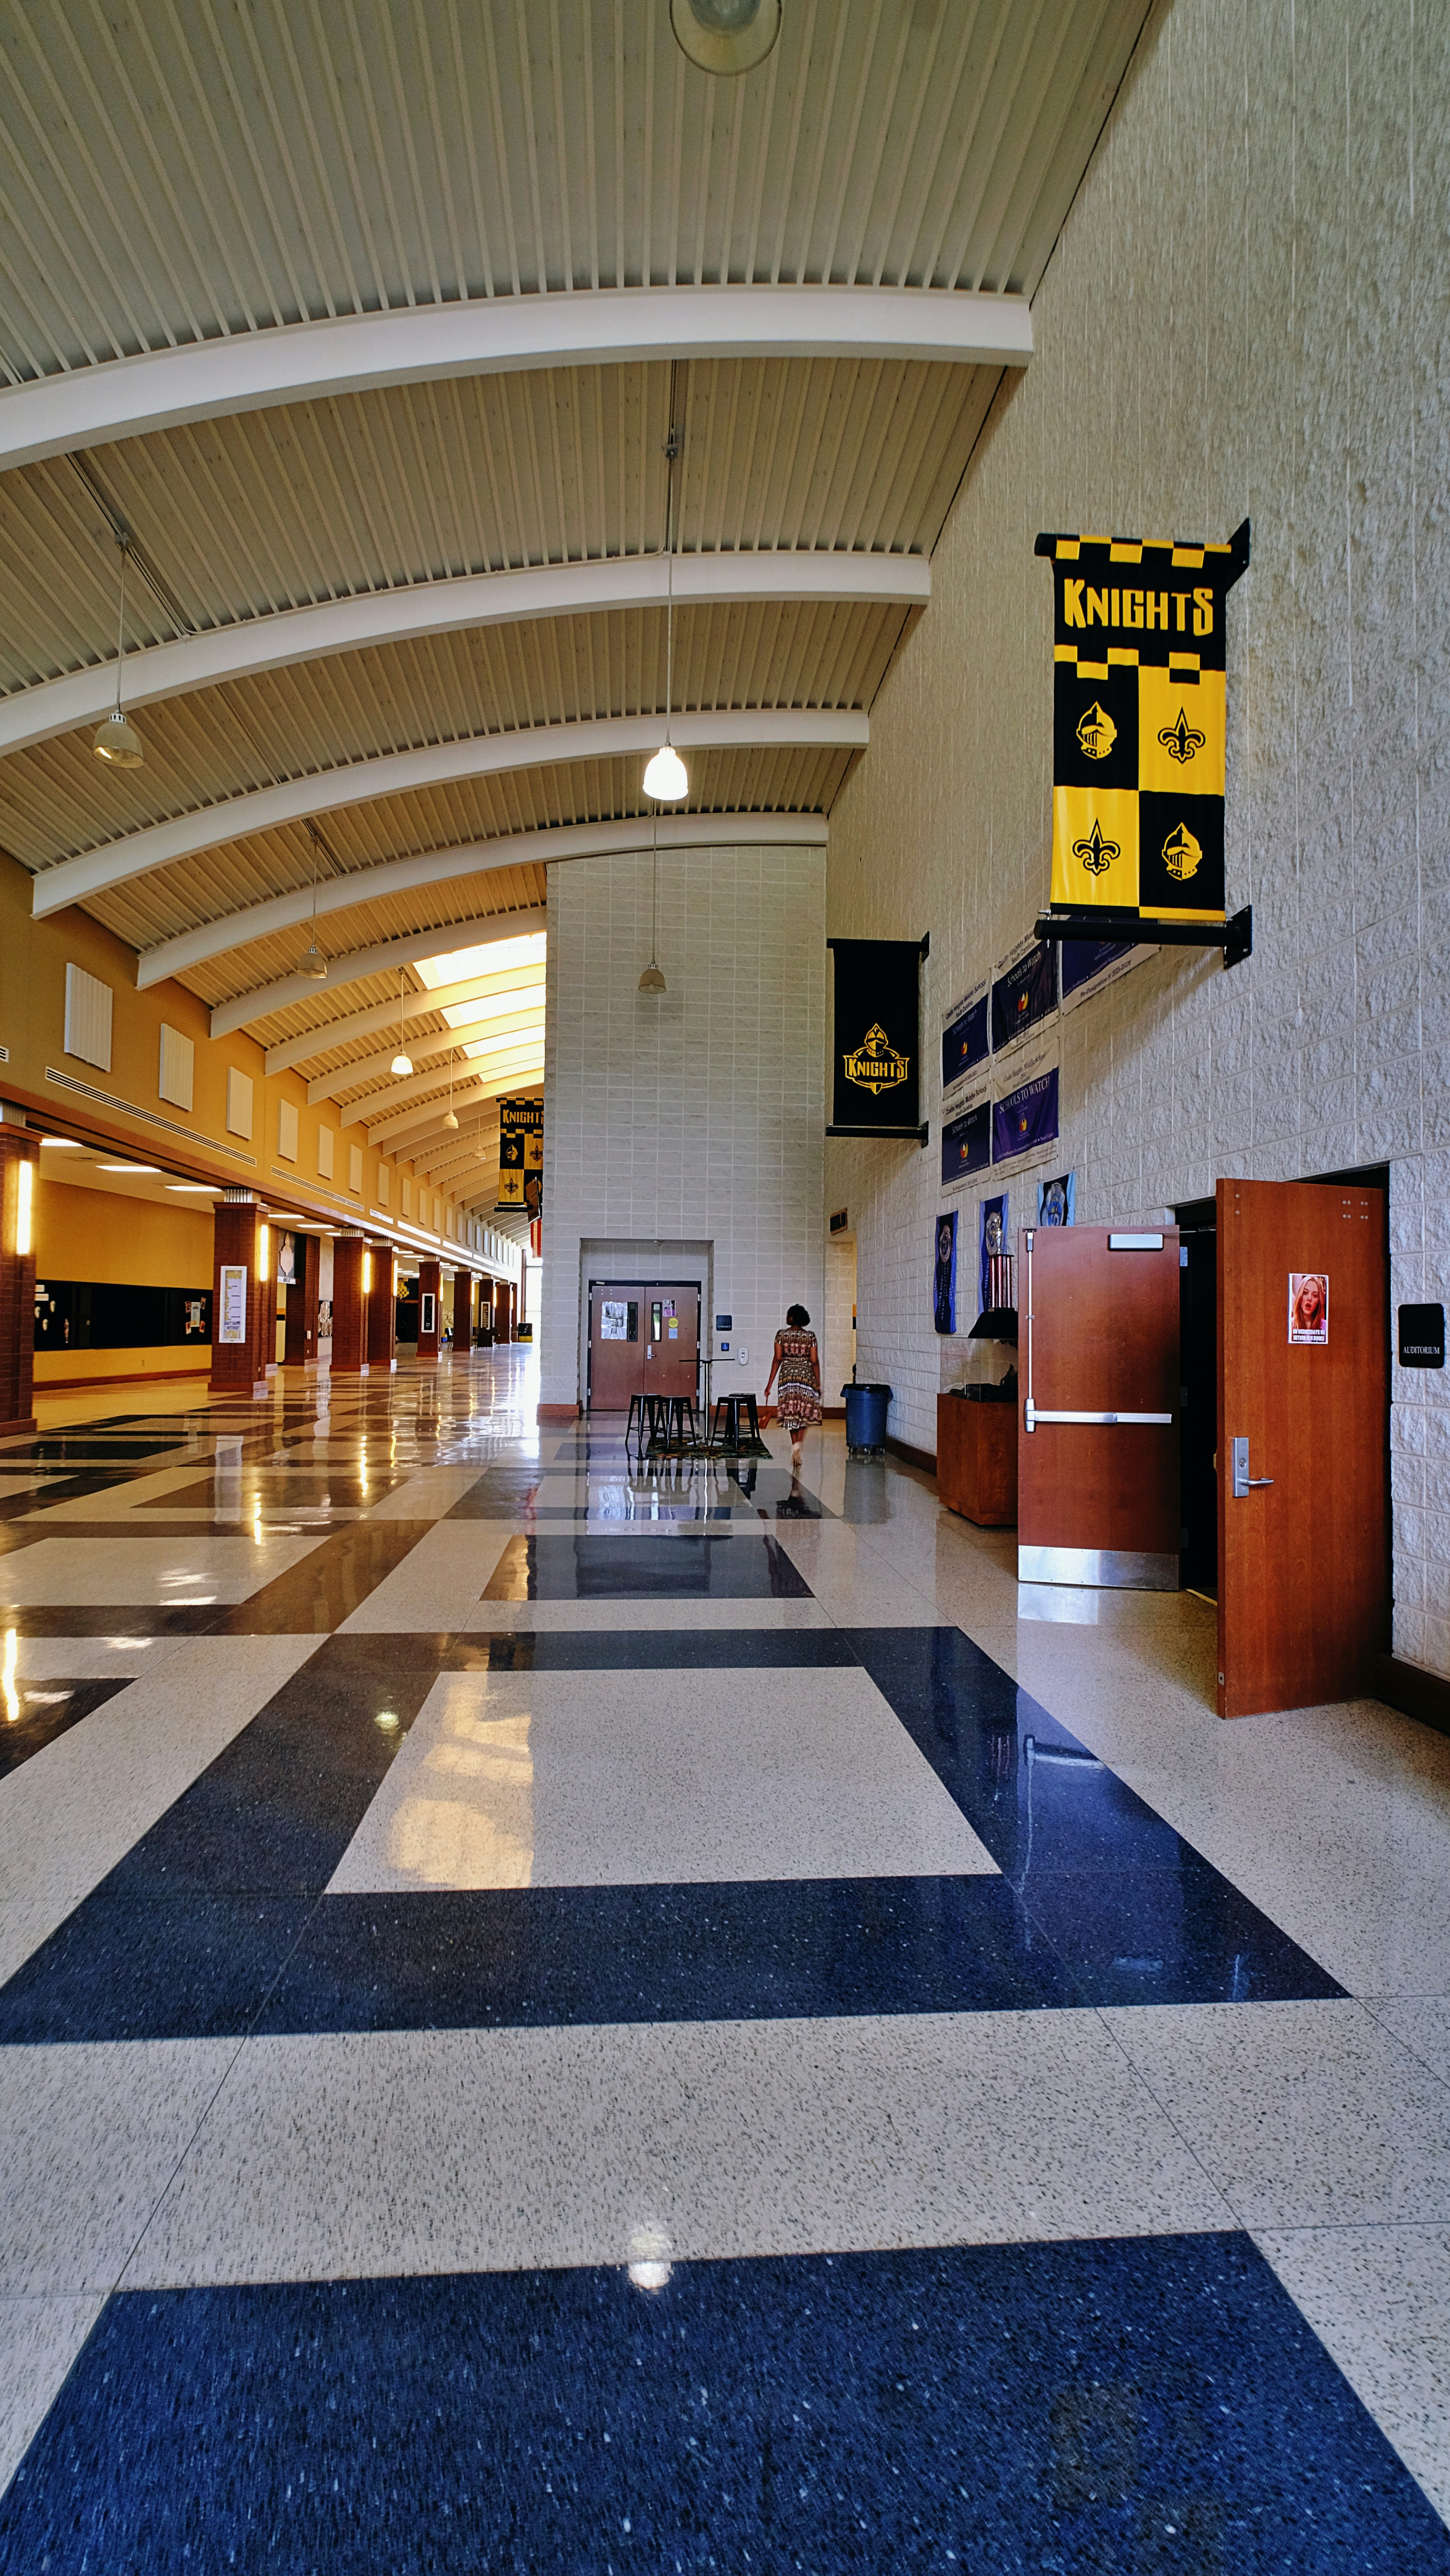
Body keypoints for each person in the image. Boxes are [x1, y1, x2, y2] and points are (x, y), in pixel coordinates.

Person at [764, 1302, 822, 1472]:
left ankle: (794, 1444)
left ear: (791, 1318)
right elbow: (815, 1361)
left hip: (787, 1377)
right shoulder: (810, 1337)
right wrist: (818, 1382)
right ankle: (798, 1446)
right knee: (804, 1412)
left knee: (791, 1412)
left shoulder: (781, 1335)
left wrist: (769, 1385)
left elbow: (777, 1359)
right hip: (805, 1376)